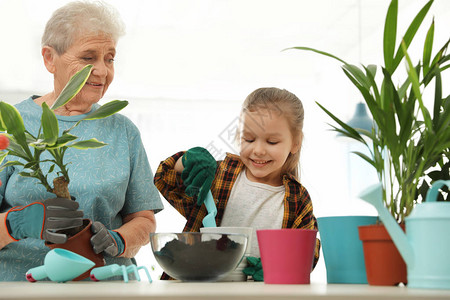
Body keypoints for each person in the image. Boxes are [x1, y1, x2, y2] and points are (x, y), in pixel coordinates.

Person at [0, 1, 164, 281]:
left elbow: (144, 220)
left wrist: (120, 240)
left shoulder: (123, 131)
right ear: (50, 58)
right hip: (20, 289)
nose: (102, 70)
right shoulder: (10, 126)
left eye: (109, 58)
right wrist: (14, 224)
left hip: (106, 288)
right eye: (88, 58)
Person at [154, 87, 320, 279]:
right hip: (201, 290)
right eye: (248, 139)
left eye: (272, 142)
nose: (258, 150)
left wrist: (277, 268)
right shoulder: (218, 176)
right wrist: (186, 161)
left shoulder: (297, 198)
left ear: (296, 142)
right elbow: (165, 181)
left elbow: (309, 252)